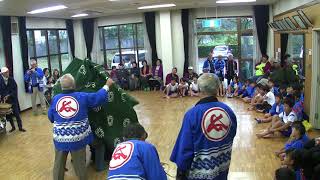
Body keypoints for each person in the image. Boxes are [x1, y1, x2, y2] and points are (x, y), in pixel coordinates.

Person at [170, 73, 237, 179]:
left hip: (199, 173)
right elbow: (231, 135)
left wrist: (181, 169)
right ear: (217, 88)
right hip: (222, 168)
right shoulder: (228, 111)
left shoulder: (193, 114)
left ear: (200, 89)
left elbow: (185, 148)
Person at [48, 74, 114, 180]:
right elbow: (98, 98)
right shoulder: (82, 96)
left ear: (61, 87)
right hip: (77, 139)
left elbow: (51, 118)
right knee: (80, 167)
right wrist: (107, 85)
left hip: (60, 139)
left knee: (58, 165)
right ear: (74, 85)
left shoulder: (55, 99)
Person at [0, 67, 26, 132]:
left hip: (13, 100)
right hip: (6, 101)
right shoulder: (0, 81)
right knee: (9, 115)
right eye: (6, 72)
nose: (7, 73)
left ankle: (20, 127)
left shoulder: (11, 80)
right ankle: (13, 127)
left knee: (17, 114)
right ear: (2, 74)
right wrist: (3, 97)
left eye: (8, 72)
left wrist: (9, 95)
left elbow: (15, 89)